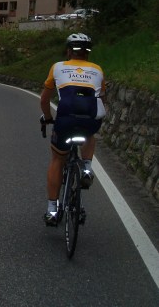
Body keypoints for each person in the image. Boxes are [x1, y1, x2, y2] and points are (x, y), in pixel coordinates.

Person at [40, 33, 106, 226]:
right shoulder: (97, 69)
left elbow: (44, 100)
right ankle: (86, 167)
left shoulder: (58, 67)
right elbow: (102, 98)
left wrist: (48, 118)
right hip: (89, 119)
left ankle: (52, 210)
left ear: (69, 51)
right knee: (89, 133)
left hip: (65, 120)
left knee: (58, 159)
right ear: (88, 53)